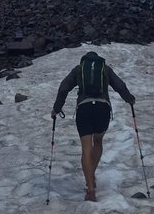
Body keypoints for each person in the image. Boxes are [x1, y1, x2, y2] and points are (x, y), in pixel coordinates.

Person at [51, 51, 135, 202]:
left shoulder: (78, 69)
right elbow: (120, 86)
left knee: (86, 149)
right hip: (102, 109)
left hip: (84, 109)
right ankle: (91, 176)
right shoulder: (105, 69)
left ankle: (90, 190)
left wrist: (56, 108)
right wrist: (129, 99)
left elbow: (64, 88)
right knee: (98, 141)